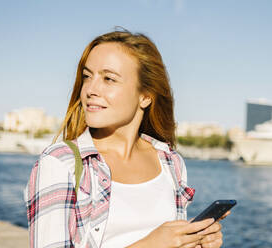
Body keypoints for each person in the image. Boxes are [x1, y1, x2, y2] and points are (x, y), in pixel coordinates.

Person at [24, 29, 230, 248]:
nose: (91, 89)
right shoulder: (60, 163)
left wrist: (192, 241)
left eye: (109, 79)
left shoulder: (170, 162)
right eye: (87, 76)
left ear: (145, 96)